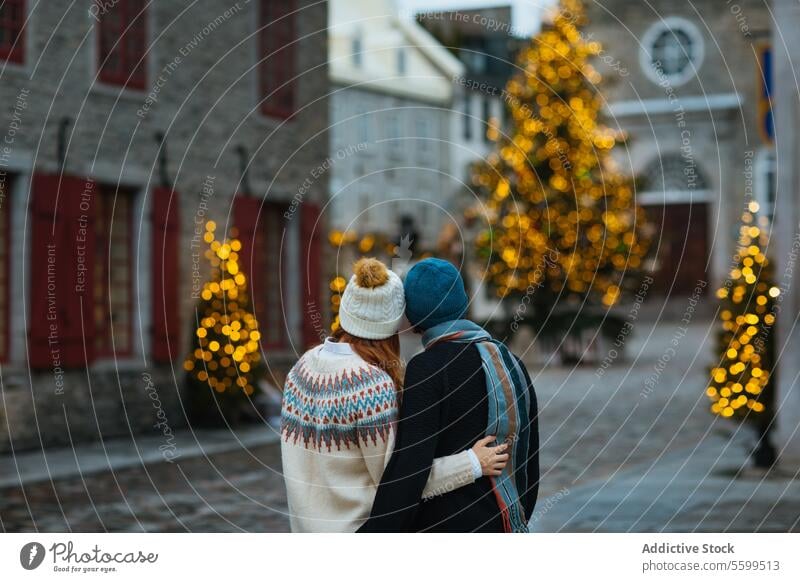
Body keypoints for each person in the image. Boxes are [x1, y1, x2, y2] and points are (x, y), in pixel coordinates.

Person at [280, 258, 509, 532]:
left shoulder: (300, 369)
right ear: (393, 325)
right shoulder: (371, 387)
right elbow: (400, 481)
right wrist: (472, 463)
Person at [359, 258, 539, 532]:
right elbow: (530, 463)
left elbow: (410, 469)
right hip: (505, 523)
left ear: (412, 315)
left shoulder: (428, 368)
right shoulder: (511, 362)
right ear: (463, 301)